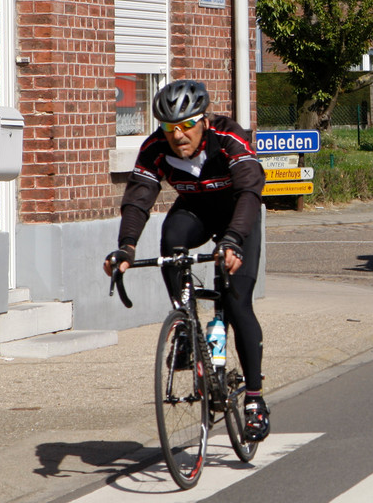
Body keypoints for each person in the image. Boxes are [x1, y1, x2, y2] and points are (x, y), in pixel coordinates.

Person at [103, 79, 271, 442]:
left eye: (185, 125)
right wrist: (126, 247)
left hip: (238, 217)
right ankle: (186, 324)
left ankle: (255, 400)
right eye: (168, 127)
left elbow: (249, 190)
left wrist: (234, 240)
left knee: (238, 303)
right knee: (171, 242)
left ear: (204, 121)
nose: (177, 135)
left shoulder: (229, 138)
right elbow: (139, 198)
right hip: (195, 212)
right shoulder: (155, 148)